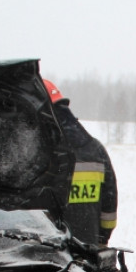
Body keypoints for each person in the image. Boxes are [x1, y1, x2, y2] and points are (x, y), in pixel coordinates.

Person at [43, 79, 117, 245]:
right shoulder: (96, 149)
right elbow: (109, 208)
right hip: (88, 252)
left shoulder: (39, 152)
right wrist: (100, 239)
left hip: (49, 255)